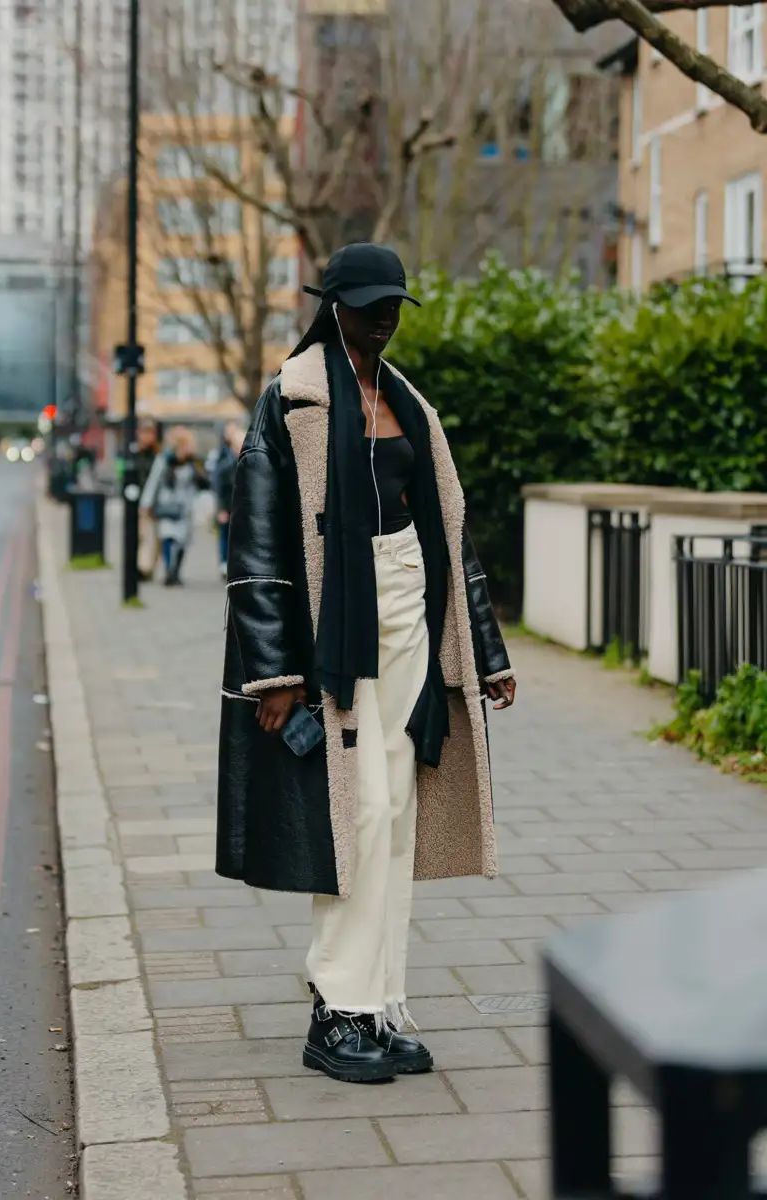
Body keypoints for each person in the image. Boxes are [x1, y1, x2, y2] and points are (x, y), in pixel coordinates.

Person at [216, 243, 516, 1085]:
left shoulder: (409, 402)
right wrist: (273, 672)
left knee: (399, 817)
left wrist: (484, 652)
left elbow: (449, 532)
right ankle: (336, 1009)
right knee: (364, 816)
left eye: (395, 305)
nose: (384, 317)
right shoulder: (294, 400)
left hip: (410, 612)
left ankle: (377, 1006)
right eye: (369, 303)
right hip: (332, 625)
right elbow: (260, 540)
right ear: (334, 305)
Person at [140, 426, 208, 586]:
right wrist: (146, 503)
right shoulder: (164, 459)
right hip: (168, 506)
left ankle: (176, 571)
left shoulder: (193, 462)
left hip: (186, 508)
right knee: (168, 537)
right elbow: (153, 481)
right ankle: (169, 571)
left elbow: (203, 482)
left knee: (182, 540)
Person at [213, 421, 245, 579]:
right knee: (225, 536)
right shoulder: (225, 464)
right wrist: (221, 509)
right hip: (227, 506)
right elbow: (220, 488)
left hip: (241, 507)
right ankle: (224, 563)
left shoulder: (247, 463)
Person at [135, 418, 161, 581]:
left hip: (155, 504)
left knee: (154, 539)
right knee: (143, 537)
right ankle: (142, 568)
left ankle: (147, 568)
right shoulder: (135, 454)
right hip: (139, 503)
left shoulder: (158, 455)